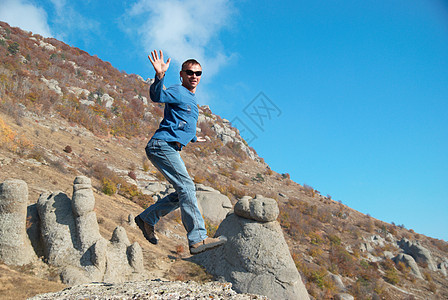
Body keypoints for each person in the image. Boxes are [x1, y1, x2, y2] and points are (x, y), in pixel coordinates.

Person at [135, 50, 226, 255]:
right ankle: (197, 239)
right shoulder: (178, 90)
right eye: (190, 72)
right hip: (162, 145)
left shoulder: (192, 100)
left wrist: (193, 137)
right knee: (187, 187)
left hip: (169, 146)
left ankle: (147, 218)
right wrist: (159, 76)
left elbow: (179, 121)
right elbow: (157, 96)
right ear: (182, 75)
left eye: (198, 73)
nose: (194, 76)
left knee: (181, 193)